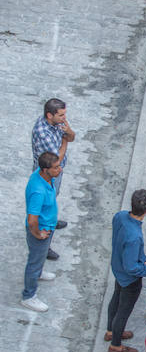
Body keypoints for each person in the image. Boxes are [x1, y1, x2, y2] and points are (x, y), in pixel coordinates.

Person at [106, 189, 146, 352]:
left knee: (116, 299)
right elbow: (131, 267)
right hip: (130, 279)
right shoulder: (134, 236)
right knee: (123, 312)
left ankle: (111, 331)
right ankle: (116, 346)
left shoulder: (120, 217)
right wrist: (144, 269)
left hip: (117, 269)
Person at [31, 97, 76, 261]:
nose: (64, 118)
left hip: (56, 171)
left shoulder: (58, 122)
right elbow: (57, 158)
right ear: (50, 115)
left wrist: (68, 133)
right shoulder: (42, 133)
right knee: (44, 206)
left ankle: (52, 219)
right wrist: (64, 140)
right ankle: (44, 244)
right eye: (61, 115)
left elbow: (71, 136)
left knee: (53, 197)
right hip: (46, 174)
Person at [21, 151, 61, 313]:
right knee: (34, 262)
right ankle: (28, 296)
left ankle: (38, 273)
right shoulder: (38, 190)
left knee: (38, 259)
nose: (60, 170)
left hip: (48, 227)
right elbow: (32, 220)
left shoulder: (44, 176)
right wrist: (38, 234)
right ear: (45, 170)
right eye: (56, 167)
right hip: (42, 230)